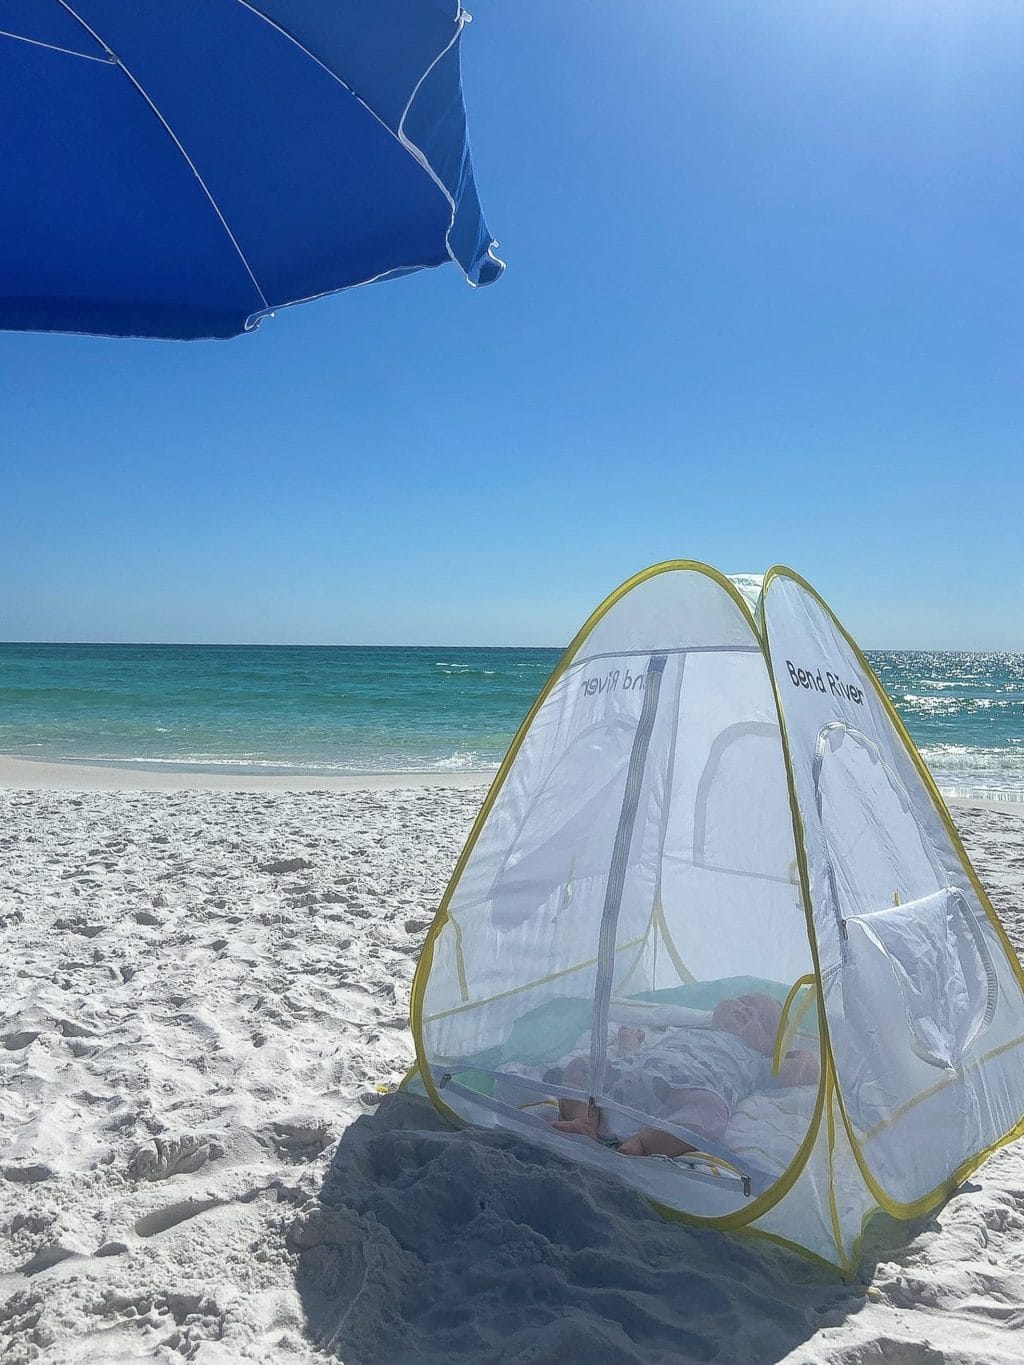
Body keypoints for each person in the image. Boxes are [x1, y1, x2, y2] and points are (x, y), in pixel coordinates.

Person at [549, 992, 818, 1158]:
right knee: (583, 1065)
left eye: (765, 1021)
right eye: (746, 1000)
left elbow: (799, 1073)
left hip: (694, 1090)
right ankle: (583, 1120)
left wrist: (802, 1057)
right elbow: (645, 1051)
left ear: (771, 1047)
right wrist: (628, 1045)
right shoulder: (685, 1030)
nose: (748, 1010)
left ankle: (646, 1142)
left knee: (711, 1112)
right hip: (638, 1071)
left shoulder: (759, 1061)